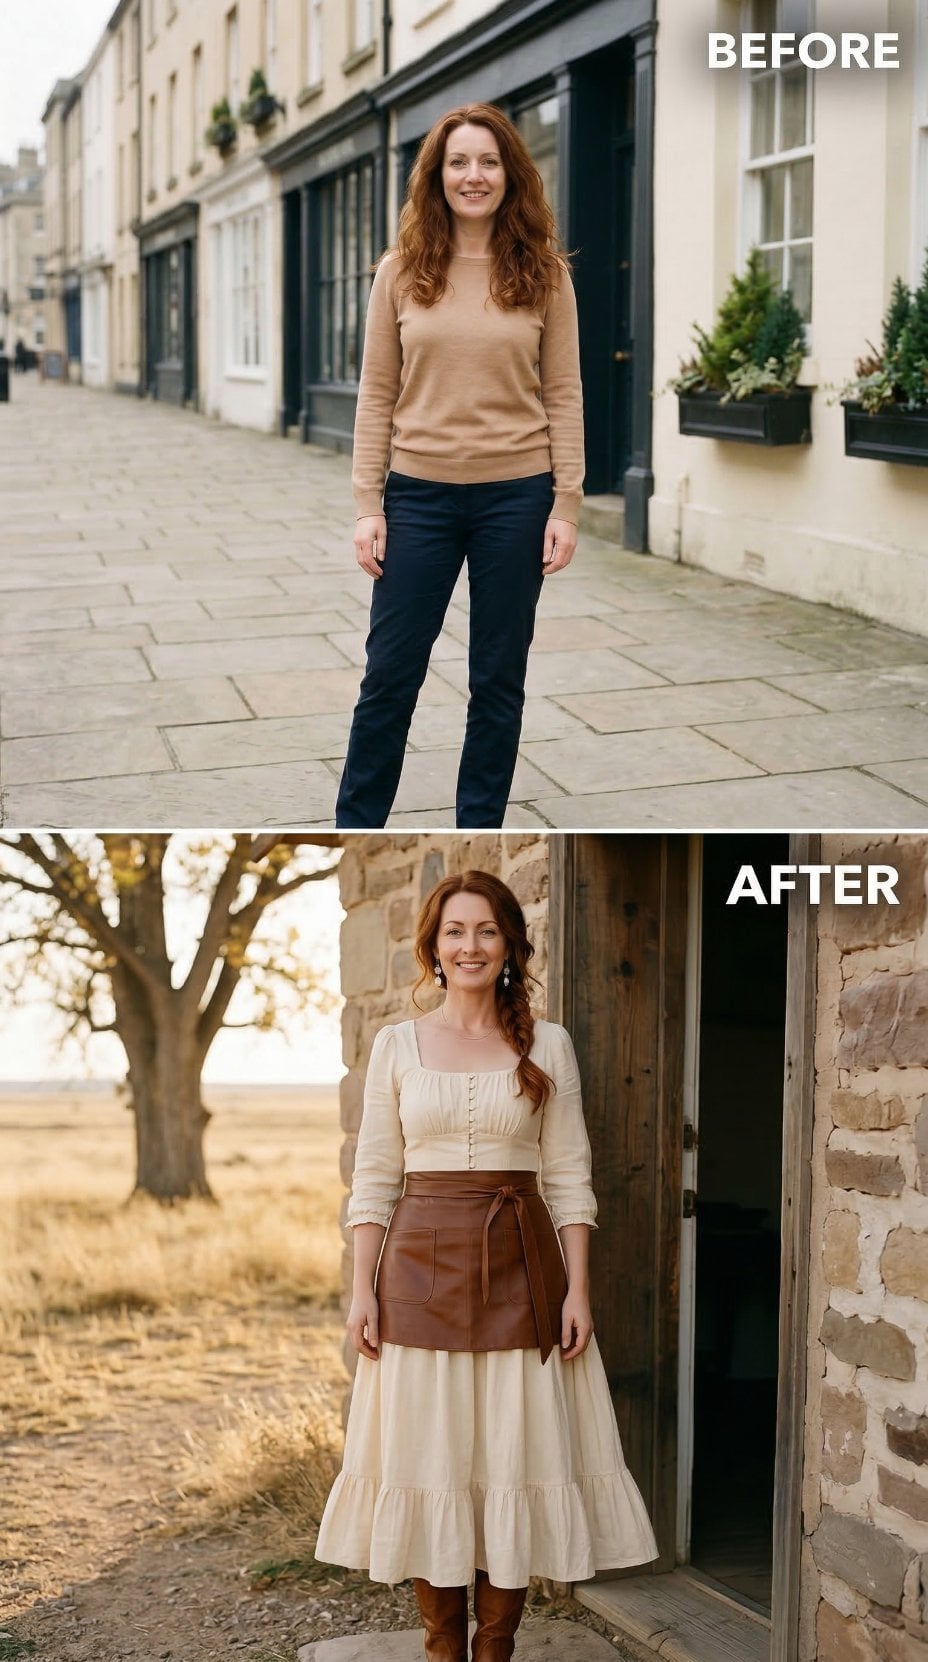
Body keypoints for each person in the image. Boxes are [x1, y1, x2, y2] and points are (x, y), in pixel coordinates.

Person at [315, 871, 659, 1661]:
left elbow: (570, 1177)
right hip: (416, 1276)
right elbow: (374, 1178)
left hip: (523, 1274)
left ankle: (496, 1649)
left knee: (513, 1452)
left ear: (509, 946)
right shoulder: (397, 1044)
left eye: (486, 932)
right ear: (433, 947)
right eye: (454, 932)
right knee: (432, 1457)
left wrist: (579, 1290)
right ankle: (444, 1650)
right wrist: (363, 1292)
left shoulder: (550, 1043)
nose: (469, 946)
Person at [334, 103, 584, 831]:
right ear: (436, 178)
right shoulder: (401, 273)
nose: (474, 176)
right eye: (459, 163)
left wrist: (565, 503)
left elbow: (564, 392)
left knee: (497, 683)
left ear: (511, 174)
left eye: (488, 162)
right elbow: (377, 392)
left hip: (517, 498)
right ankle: (356, 823)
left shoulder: (544, 276)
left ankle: (480, 823)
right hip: (418, 498)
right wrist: (367, 503)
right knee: (389, 678)